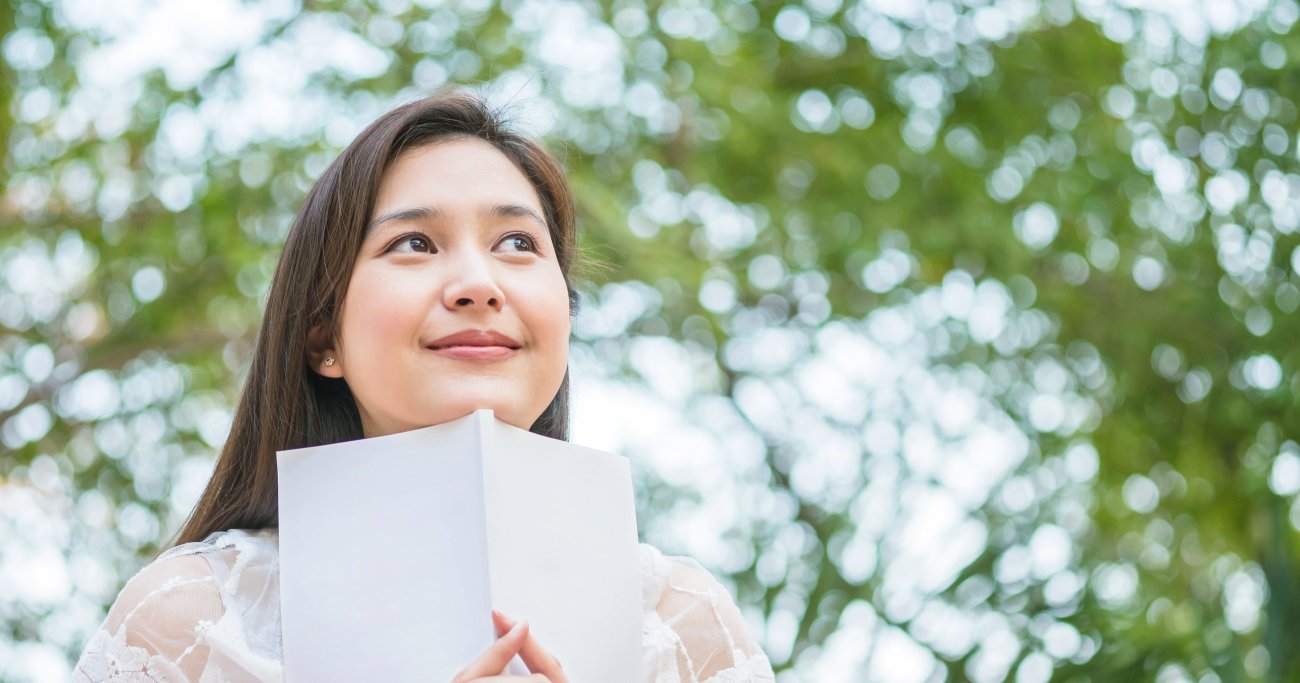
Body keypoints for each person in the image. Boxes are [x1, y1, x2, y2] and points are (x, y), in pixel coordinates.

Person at [72, 91, 775, 682]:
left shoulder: (684, 629)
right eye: (415, 243)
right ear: (322, 336)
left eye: (518, 243)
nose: (478, 284)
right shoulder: (191, 623)